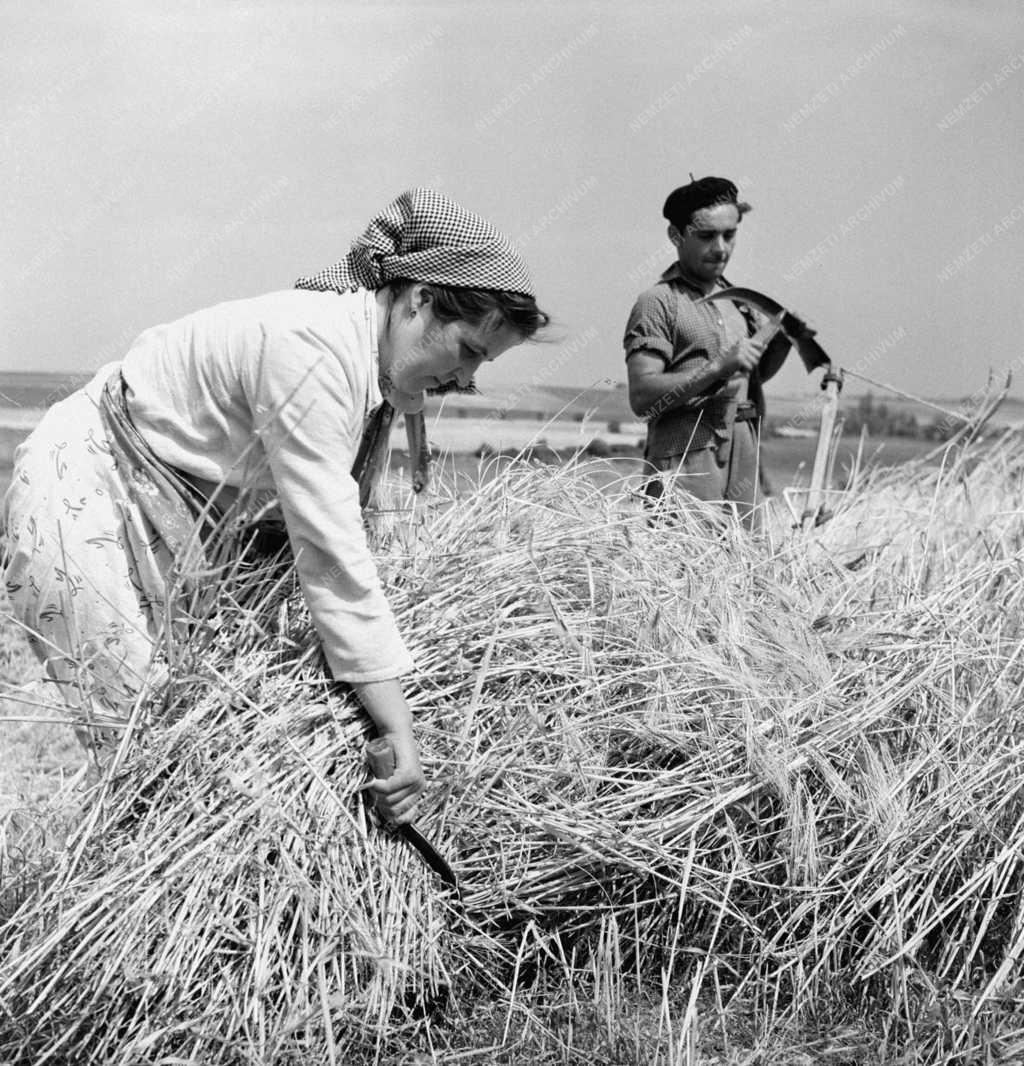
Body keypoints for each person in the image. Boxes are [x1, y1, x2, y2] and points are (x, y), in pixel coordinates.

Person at [2, 187, 549, 825]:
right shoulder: (313, 352)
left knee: (189, 725)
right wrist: (397, 722)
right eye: (468, 353)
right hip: (83, 488)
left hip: (163, 504)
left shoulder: (371, 361)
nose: (462, 381)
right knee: (146, 748)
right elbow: (330, 550)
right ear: (419, 301)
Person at [623, 176, 809, 528]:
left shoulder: (739, 301)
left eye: (730, 234)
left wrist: (785, 339)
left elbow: (750, 375)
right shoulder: (659, 303)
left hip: (742, 451)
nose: (721, 248)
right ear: (676, 237)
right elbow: (642, 396)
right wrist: (717, 368)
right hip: (687, 455)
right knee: (686, 570)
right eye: (707, 236)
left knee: (745, 568)